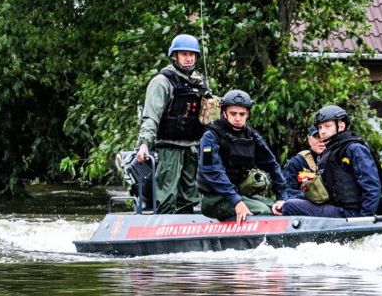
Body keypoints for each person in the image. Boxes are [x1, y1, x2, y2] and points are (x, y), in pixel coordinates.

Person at [135, 34, 211, 214]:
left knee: (190, 197)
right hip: (169, 148)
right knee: (167, 196)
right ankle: (161, 230)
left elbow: (209, 120)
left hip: (192, 148)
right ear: (175, 56)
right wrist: (144, 144)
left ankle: (185, 229)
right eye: (184, 54)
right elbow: (151, 117)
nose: (189, 58)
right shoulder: (162, 82)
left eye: (192, 54)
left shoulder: (200, 83)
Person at [197, 89, 290, 223]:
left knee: (278, 209)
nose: (238, 118)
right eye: (233, 113)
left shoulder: (250, 135)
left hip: (240, 194)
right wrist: (236, 202)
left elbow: (271, 164)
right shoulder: (211, 136)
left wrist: (283, 197)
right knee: (263, 212)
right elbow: (212, 171)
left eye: (242, 114)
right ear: (224, 113)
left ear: (248, 114)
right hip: (215, 199)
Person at [282, 105, 381, 218]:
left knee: (290, 206)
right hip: (336, 208)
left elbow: (372, 187)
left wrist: (365, 219)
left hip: (352, 214)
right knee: (289, 203)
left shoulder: (354, 149)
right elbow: (322, 191)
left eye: (327, 126)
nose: (322, 132)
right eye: (320, 128)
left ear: (341, 126)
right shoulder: (329, 153)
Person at [282, 125, 326, 198]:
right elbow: (287, 192)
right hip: (306, 206)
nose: (321, 141)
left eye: (324, 137)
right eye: (317, 137)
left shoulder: (338, 160)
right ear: (309, 140)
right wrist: (311, 195)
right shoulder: (297, 162)